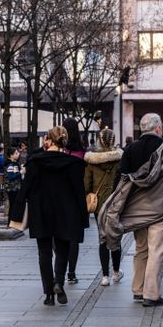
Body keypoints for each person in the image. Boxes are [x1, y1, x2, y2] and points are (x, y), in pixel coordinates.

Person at [100, 113, 163, 307]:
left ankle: (138, 289)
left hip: (136, 211)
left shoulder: (131, 149)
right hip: (160, 208)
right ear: (158, 128)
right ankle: (151, 294)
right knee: (157, 251)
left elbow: (122, 178)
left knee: (141, 249)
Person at [10, 126, 88, 306]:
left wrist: (16, 213)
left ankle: (48, 294)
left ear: (49, 140)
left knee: (44, 252)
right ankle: (58, 282)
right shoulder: (74, 164)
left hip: (41, 211)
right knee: (62, 250)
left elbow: (25, 188)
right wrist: (83, 218)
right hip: (66, 211)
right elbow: (79, 193)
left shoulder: (35, 162)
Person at [84, 128, 124, 286]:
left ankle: (104, 276)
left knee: (102, 238)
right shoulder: (120, 159)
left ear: (99, 140)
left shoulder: (91, 161)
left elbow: (86, 185)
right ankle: (116, 272)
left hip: (99, 203)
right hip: (116, 203)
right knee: (115, 236)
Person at [62, 118, 87, 283]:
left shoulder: (59, 152)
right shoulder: (82, 153)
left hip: (59, 199)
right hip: (76, 199)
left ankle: (61, 270)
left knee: (60, 237)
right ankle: (71, 272)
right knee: (74, 238)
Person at [3, 147, 21, 219]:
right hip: (12, 188)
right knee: (13, 205)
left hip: (14, 187)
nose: (18, 154)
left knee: (14, 205)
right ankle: (10, 221)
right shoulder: (10, 165)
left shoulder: (14, 163)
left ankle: (12, 221)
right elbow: (10, 177)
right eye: (16, 153)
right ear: (11, 155)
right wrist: (20, 173)